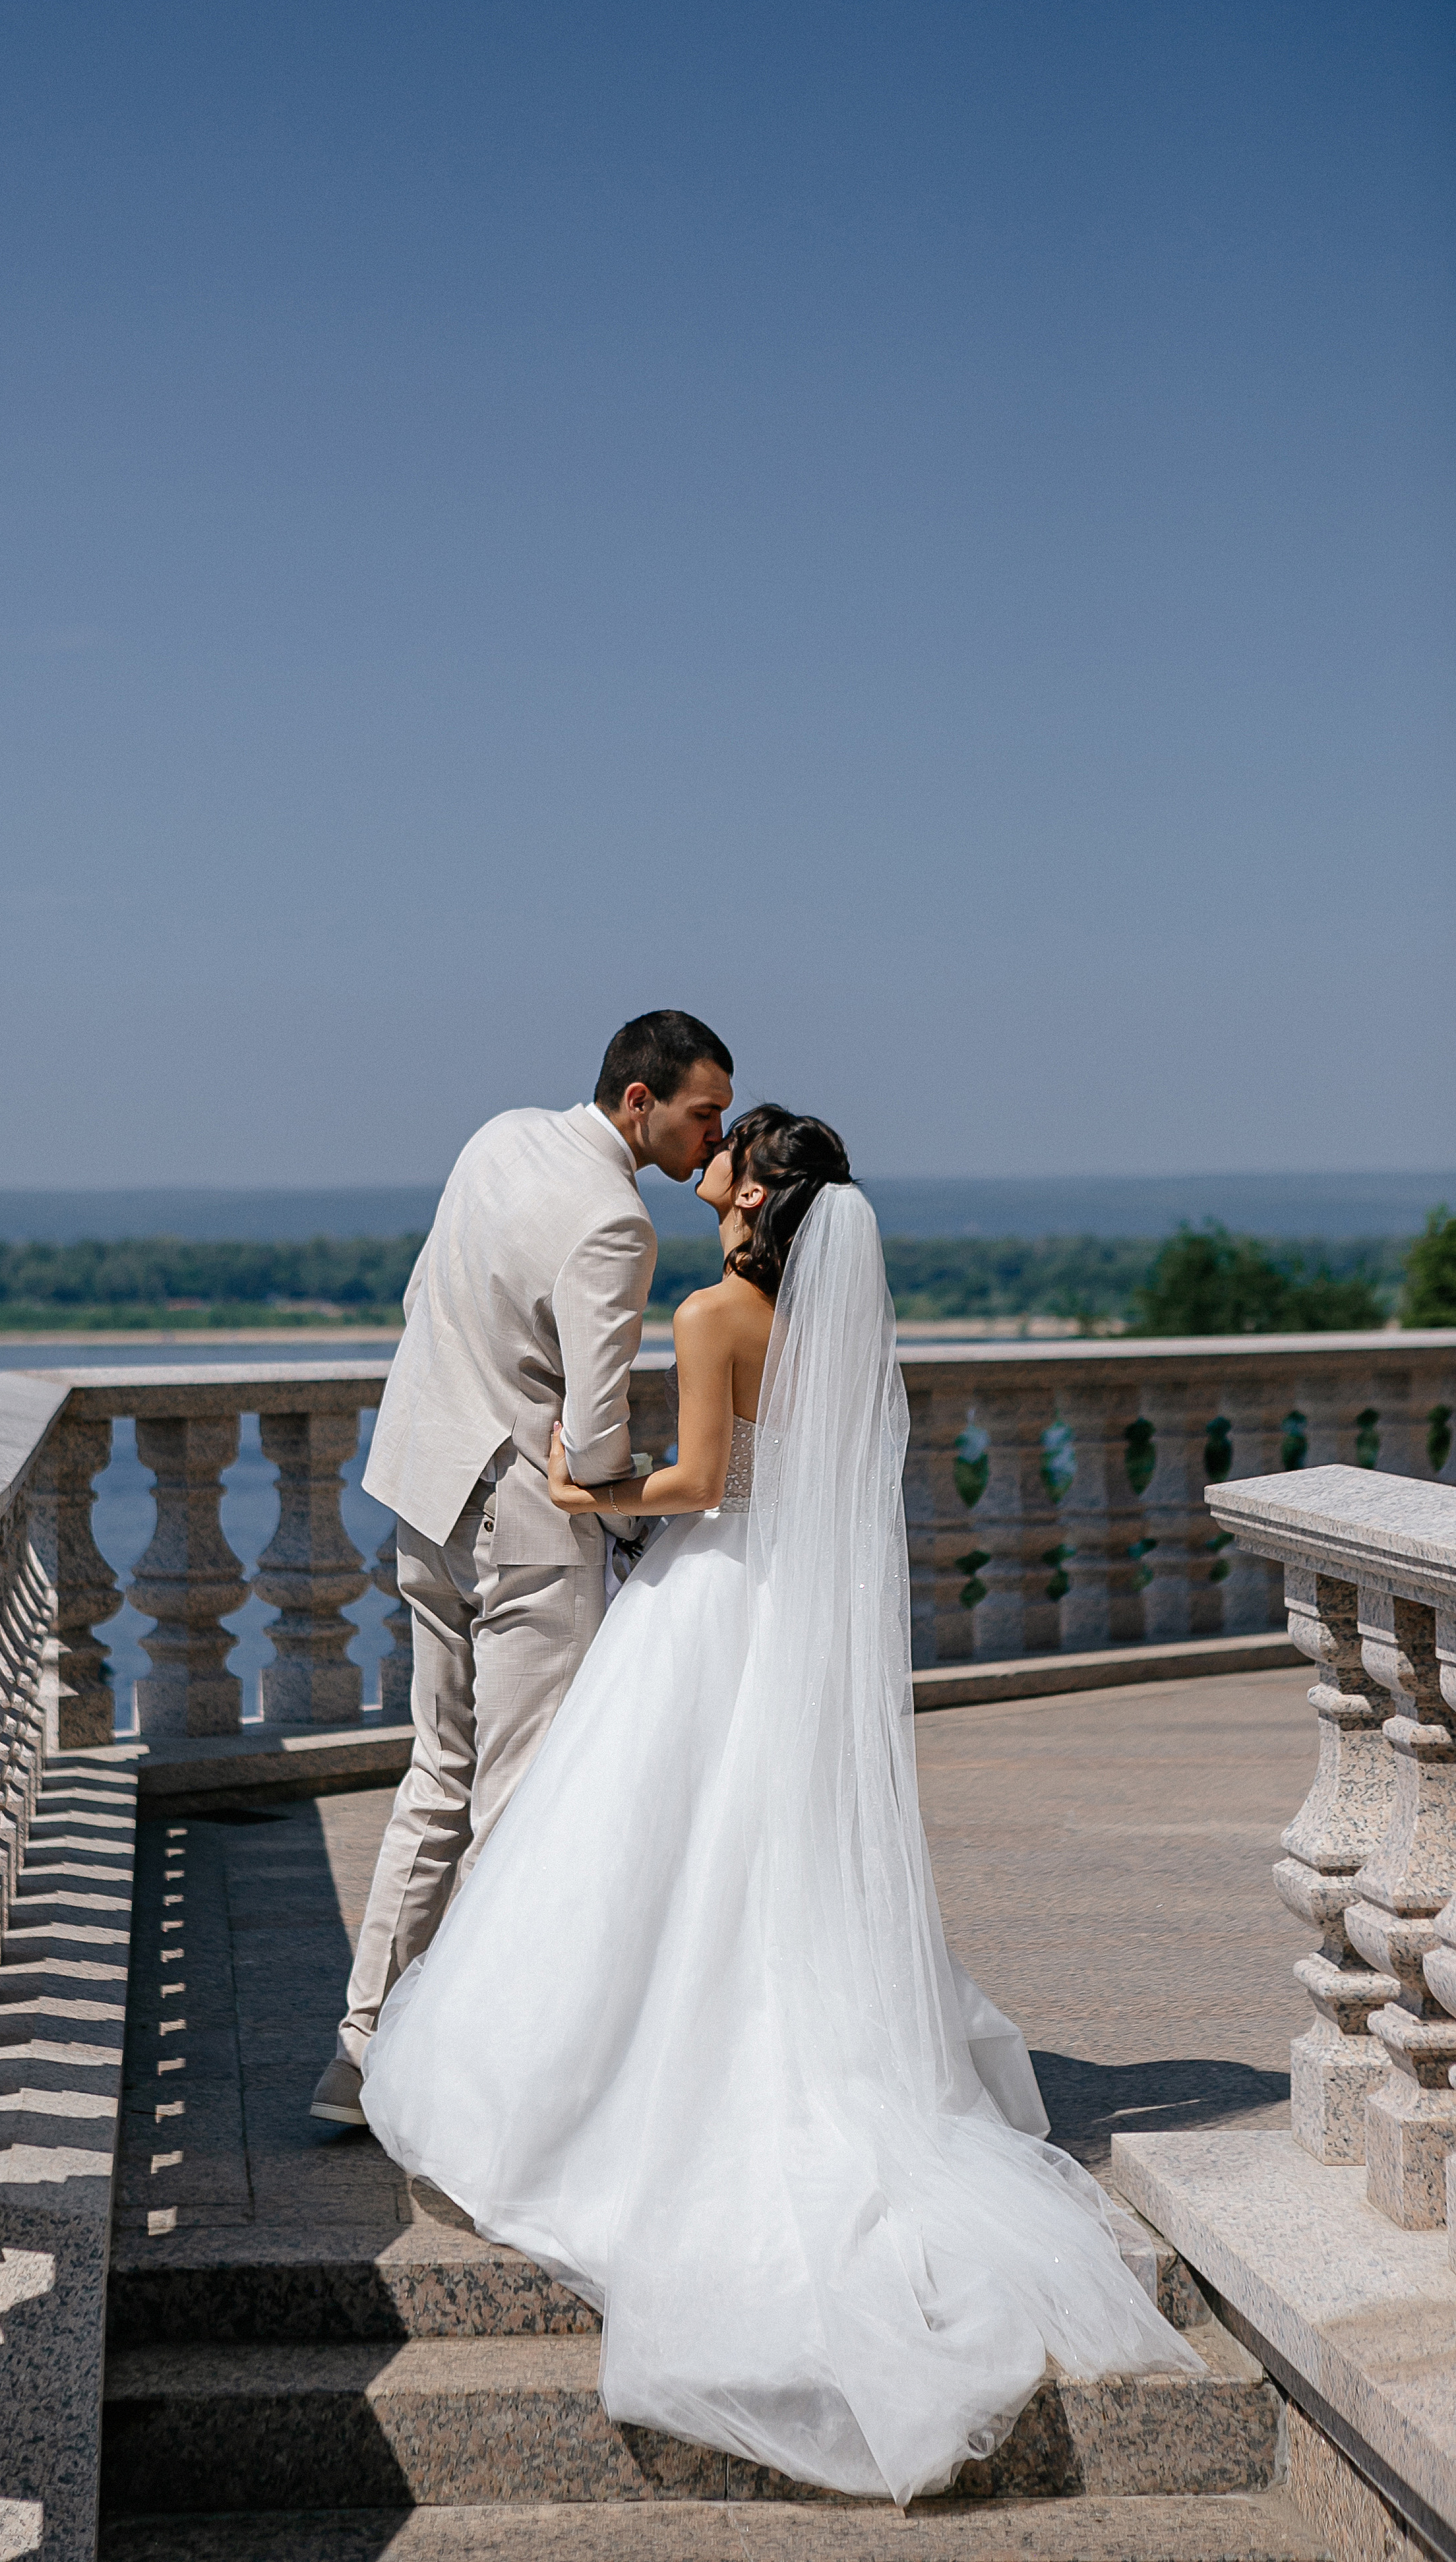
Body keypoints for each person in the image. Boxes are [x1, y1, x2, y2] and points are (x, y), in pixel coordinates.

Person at [358, 1106, 1201, 2503]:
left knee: (645, 1847)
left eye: (730, 1153)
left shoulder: (710, 1317)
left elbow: (695, 1483)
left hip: (706, 1595)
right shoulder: (830, 1327)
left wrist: (580, 1488)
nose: (712, 1164)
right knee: (764, 1850)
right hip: (788, 1613)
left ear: (753, 1195)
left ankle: (608, 2085)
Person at [308, 1010, 735, 2127]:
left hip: (422, 1488)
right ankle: (479, 2093)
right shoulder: (616, 1220)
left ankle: (358, 2055)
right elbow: (592, 1432)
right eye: (704, 1114)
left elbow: (424, 1300)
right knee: (519, 1804)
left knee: (436, 1773)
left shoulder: (497, 1136)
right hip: (526, 1527)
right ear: (639, 1100)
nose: (715, 1136)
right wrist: (624, 1494)